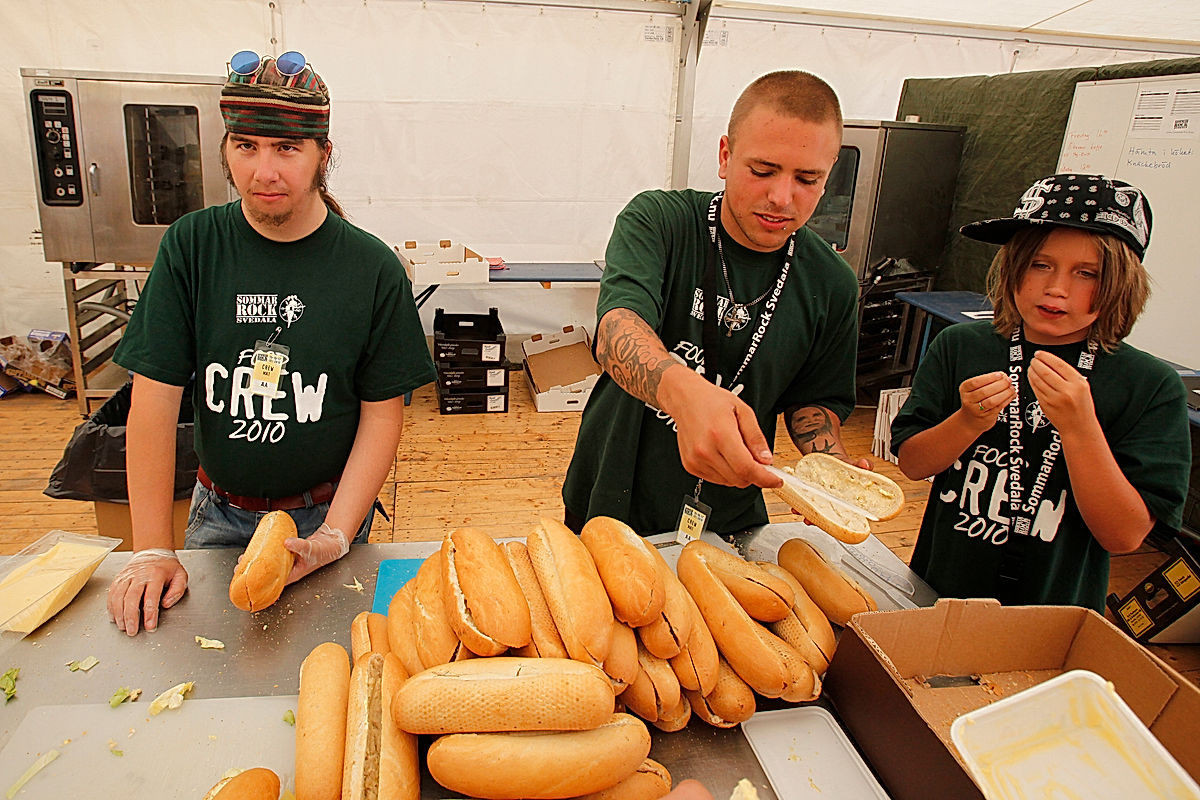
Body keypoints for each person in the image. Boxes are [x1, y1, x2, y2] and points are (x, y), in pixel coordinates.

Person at [106, 50, 436, 635]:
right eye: (246, 146)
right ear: (226, 149)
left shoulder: (370, 268)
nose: (265, 172)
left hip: (327, 515)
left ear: (322, 156)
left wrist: (336, 533)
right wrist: (151, 549)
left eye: (287, 148)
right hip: (217, 513)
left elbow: (382, 414)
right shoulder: (192, 247)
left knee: (329, 662)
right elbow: (153, 401)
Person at [562, 71, 867, 536]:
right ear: (725, 156)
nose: (781, 198)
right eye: (762, 171)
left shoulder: (832, 282)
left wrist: (834, 475)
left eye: (807, 179)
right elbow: (617, 330)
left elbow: (815, 402)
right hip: (610, 490)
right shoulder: (660, 222)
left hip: (730, 513)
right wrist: (688, 396)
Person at [890, 173, 1190, 611]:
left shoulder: (1150, 386)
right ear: (1013, 265)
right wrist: (968, 420)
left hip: (1055, 615)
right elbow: (914, 464)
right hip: (939, 593)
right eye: (1040, 264)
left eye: (1087, 274)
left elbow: (1124, 536)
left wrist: (1080, 427)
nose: (1056, 288)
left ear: (1121, 285)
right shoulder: (961, 345)